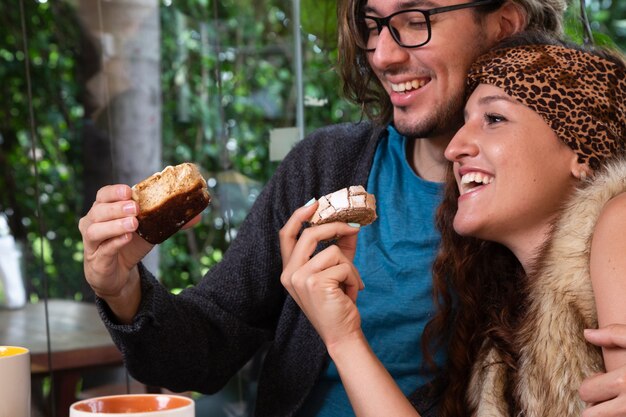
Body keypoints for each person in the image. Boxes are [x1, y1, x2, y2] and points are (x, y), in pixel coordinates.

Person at [78, 0, 624, 415]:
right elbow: (201, 353)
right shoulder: (325, 166)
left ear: (502, 24)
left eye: (414, 19)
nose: (384, 54)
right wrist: (120, 286)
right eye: (372, 25)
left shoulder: (566, 212)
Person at [279, 32, 626, 416]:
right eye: (465, 121)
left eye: (494, 118)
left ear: (581, 154)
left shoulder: (618, 219)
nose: (454, 148)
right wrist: (342, 337)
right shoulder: (502, 339)